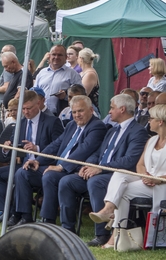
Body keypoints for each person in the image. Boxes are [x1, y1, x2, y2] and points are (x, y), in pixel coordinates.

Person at [89, 104, 166, 249]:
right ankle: (110, 212)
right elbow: (140, 165)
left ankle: (114, 235)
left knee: (123, 191)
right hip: (148, 180)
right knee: (120, 174)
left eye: (151, 118)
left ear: (160, 121)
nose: (149, 121)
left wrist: (157, 180)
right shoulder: (151, 140)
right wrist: (144, 176)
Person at [59, 94, 149, 244]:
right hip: (99, 172)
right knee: (66, 181)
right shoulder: (112, 130)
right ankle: (67, 229)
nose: (109, 112)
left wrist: (100, 168)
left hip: (117, 176)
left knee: (96, 182)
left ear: (122, 109)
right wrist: (89, 165)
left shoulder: (138, 131)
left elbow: (129, 160)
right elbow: (98, 153)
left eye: (112, 108)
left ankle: (102, 234)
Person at [0, 90, 65, 223]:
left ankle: (23, 215)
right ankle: (5, 211)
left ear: (38, 104)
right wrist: (7, 148)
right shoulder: (21, 123)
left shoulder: (52, 122)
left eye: (29, 108)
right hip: (24, 164)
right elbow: (14, 146)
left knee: (21, 174)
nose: (26, 112)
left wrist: (37, 148)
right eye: (23, 109)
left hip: (44, 166)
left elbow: (59, 148)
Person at [30, 95, 108, 228]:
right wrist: (38, 160)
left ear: (91, 110)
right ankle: (22, 216)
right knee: (24, 172)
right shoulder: (72, 125)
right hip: (60, 167)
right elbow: (56, 144)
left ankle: (49, 220)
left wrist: (61, 166)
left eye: (80, 111)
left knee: (50, 176)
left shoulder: (97, 126)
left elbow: (84, 149)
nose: (77, 115)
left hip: (75, 169)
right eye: (74, 112)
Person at [35, 45, 82, 115]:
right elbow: (34, 92)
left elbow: (80, 95)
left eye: (60, 55)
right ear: (49, 56)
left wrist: (66, 96)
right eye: (54, 54)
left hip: (61, 115)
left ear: (65, 57)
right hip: (41, 114)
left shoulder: (72, 74)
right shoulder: (42, 73)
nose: (56, 57)